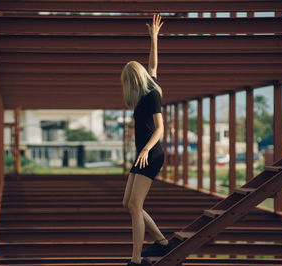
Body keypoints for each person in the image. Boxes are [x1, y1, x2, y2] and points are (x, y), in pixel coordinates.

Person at [121, 14, 172, 266]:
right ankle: (162, 242)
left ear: (134, 79)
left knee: (135, 204)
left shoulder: (151, 95)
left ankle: (136, 259)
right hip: (144, 153)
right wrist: (153, 37)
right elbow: (152, 66)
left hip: (150, 153)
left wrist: (145, 150)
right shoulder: (148, 85)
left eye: (128, 82)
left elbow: (161, 128)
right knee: (128, 203)